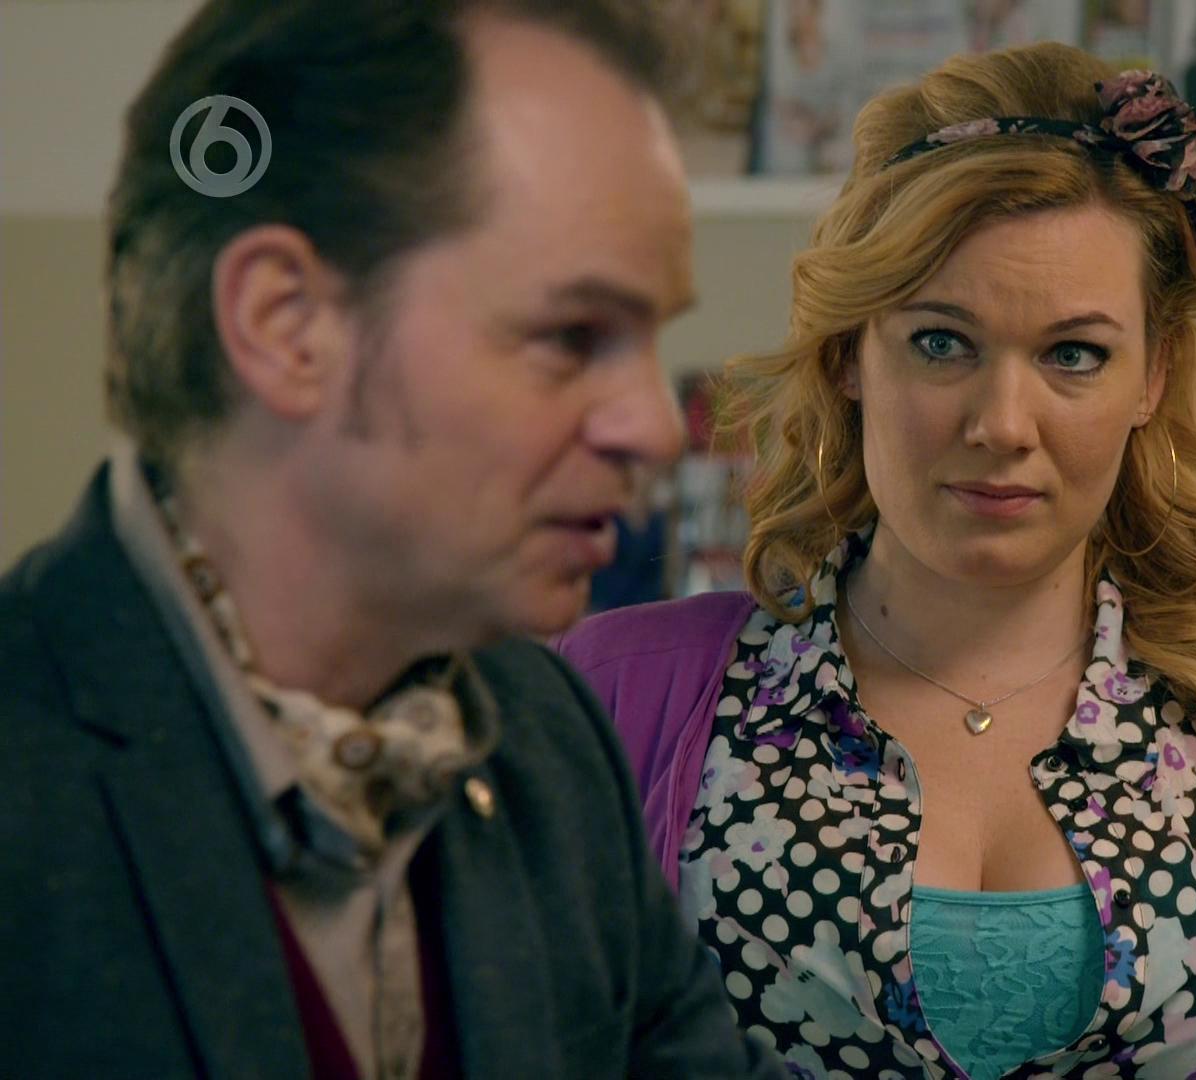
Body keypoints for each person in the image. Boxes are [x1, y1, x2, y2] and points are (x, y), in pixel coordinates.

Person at [556, 41, 1196, 1079]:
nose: (1003, 424)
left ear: (1152, 377)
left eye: (1074, 355)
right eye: (943, 343)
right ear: (850, 354)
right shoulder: (615, 698)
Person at [0, 2, 785, 1077]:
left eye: (651, 340)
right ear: (287, 326)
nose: (653, 426)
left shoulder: (548, 742)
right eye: (572, 336)